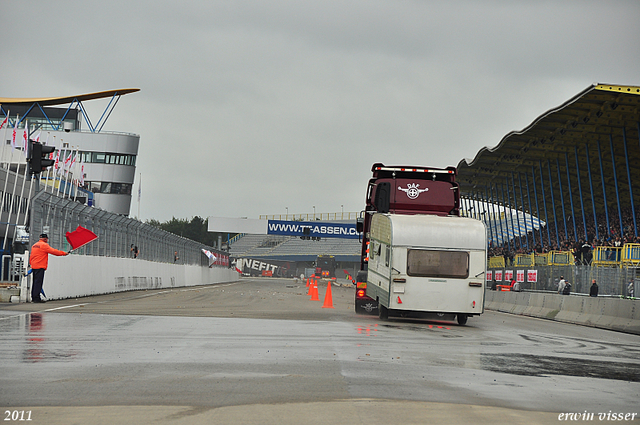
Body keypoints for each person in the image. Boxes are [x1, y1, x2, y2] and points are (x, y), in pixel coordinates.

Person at [29, 234, 69, 303]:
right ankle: (36, 298)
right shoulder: (44, 245)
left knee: (35, 283)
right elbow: (54, 251)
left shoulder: (34, 245)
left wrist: (31, 264)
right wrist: (64, 253)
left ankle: (34, 297)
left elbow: (32, 255)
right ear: (45, 239)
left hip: (34, 266)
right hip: (40, 266)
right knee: (38, 283)